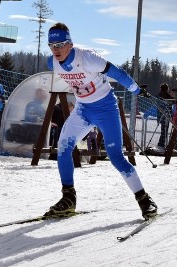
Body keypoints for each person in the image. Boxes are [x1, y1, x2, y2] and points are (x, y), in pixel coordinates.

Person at [43, 23, 157, 220]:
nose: (55, 50)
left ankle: (144, 200)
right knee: (63, 147)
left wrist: (136, 90)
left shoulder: (87, 58)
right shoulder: (51, 62)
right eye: (51, 45)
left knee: (116, 157)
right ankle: (68, 198)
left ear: (70, 43)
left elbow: (118, 73)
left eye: (60, 44)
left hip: (106, 110)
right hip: (83, 111)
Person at [155, 84, 173, 149]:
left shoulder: (159, 94)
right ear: (166, 88)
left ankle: (161, 143)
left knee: (163, 130)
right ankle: (161, 144)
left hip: (160, 115)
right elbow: (172, 102)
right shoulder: (166, 95)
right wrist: (171, 96)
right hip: (165, 115)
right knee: (164, 131)